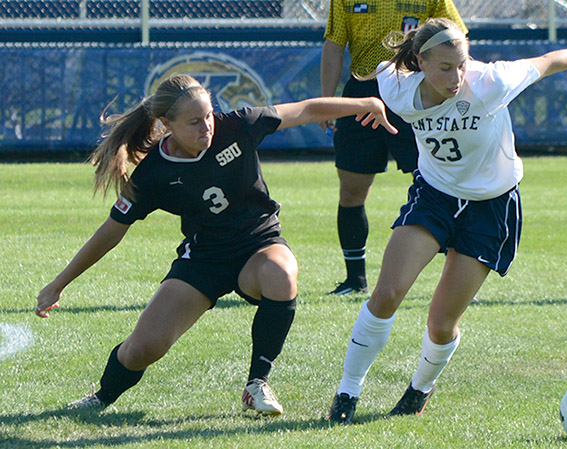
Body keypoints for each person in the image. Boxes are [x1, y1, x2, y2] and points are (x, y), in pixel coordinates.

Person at [328, 17, 567, 423]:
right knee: (386, 294)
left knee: (440, 325)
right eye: (445, 67)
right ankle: (347, 393)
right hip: (435, 196)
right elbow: (379, 77)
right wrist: (375, 107)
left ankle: (418, 390)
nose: (457, 76)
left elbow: (547, 61)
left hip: (490, 208)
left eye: (462, 63)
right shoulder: (395, 85)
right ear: (419, 62)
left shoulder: (491, 82)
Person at [35, 73, 397, 415]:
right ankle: (101, 397)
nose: (206, 126)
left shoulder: (238, 125)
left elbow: (302, 109)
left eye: (207, 115)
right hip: (204, 260)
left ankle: (257, 384)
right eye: (193, 122)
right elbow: (110, 233)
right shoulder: (154, 173)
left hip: (259, 243)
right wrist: (59, 283)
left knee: (281, 274)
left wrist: (364, 102)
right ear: (167, 124)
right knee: (143, 349)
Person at [320, 0, 467, 295]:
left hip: (416, 92)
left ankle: (460, 279)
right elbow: (334, 45)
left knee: (440, 184)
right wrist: (327, 101)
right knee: (351, 188)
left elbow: (457, 38)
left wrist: (455, 90)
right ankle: (354, 279)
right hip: (362, 95)